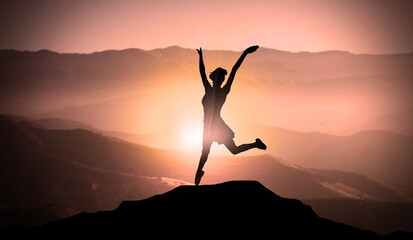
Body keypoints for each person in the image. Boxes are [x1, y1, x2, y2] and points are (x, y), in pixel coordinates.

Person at [195, 45, 267, 186]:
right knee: (205, 152)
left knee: (229, 150)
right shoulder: (211, 90)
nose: (221, 80)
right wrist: (200, 57)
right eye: (220, 78)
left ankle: (255, 144)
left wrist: (245, 53)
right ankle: (198, 174)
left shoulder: (219, 91)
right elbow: (202, 72)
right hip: (211, 126)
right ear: (215, 79)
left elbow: (234, 70)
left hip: (215, 126)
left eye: (221, 78)